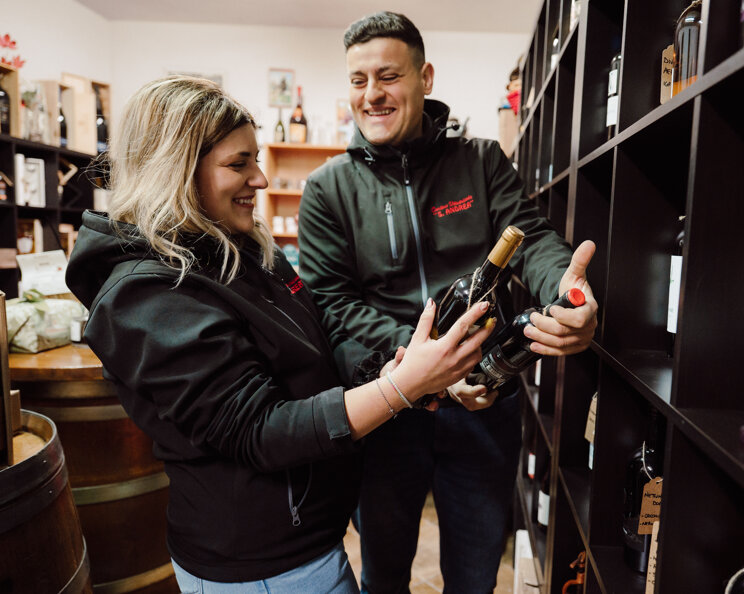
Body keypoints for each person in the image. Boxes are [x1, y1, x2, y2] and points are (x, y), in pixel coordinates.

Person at [64, 75, 495, 593]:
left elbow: (318, 338)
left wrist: (399, 370)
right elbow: (259, 430)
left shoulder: (238, 249)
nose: (261, 179)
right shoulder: (147, 294)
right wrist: (400, 388)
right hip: (261, 566)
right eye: (239, 164)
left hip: (306, 543)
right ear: (176, 169)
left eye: (256, 159)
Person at [297, 12, 599, 594]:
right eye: (358, 80)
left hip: (484, 400)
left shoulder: (481, 161)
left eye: (388, 76)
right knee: (383, 574)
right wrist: (427, 366)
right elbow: (332, 305)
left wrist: (566, 292)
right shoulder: (328, 189)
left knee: (475, 576)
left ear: (425, 77)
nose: (371, 94)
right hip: (385, 407)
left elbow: (532, 241)